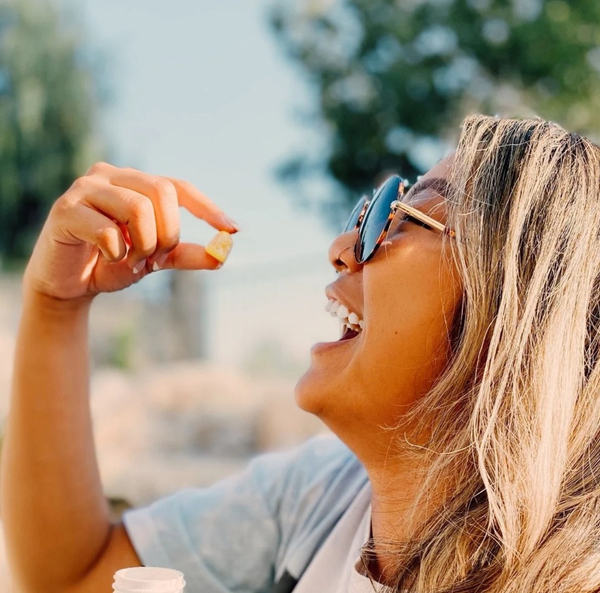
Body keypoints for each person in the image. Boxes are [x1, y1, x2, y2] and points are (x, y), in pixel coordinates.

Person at [3, 113, 600, 593]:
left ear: (516, 315)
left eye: (401, 215)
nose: (343, 247)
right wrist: (56, 304)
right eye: (370, 211)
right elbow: (77, 578)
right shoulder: (323, 498)